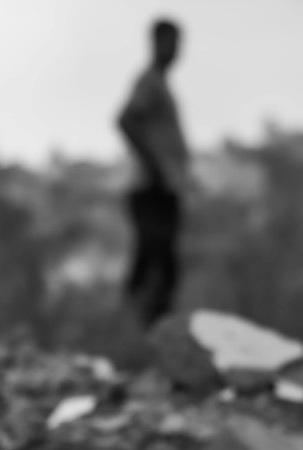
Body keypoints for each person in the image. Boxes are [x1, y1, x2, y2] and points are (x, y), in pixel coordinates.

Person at [117, 17, 189, 325]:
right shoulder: (148, 82)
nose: (176, 49)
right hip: (150, 186)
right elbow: (126, 120)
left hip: (165, 185)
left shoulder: (161, 84)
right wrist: (156, 167)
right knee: (153, 249)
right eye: (171, 41)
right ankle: (140, 319)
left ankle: (160, 323)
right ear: (156, 43)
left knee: (165, 256)